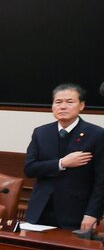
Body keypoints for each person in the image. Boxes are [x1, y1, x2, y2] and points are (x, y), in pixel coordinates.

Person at [23, 83, 104, 232]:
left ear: (82, 105)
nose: (63, 106)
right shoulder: (41, 133)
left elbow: (101, 180)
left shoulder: (97, 135)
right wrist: (62, 163)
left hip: (76, 213)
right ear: (52, 106)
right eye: (58, 102)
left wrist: (92, 213)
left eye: (70, 102)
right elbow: (30, 169)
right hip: (39, 211)